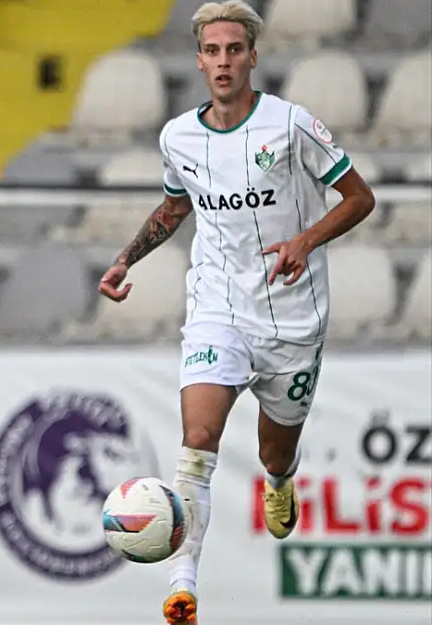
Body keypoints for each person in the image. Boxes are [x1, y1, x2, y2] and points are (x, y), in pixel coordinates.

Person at [96, 3, 376, 624]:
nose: (223, 62)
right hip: (217, 307)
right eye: (212, 51)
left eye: (234, 50)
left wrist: (305, 240)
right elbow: (175, 208)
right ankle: (183, 585)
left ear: (252, 57)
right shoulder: (178, 137)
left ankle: (282, 479)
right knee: (197, 440)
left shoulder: (291, 125)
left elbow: (361, 197)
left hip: (294, 320)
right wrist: (125, 260)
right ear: (198, 60)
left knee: (274, 452)